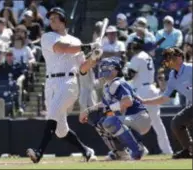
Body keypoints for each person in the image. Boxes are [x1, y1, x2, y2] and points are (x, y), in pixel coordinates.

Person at [26, 7, 101, 163]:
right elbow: (61, 48)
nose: (52, 20)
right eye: (50, 18)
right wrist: (88, 47)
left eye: (55, 17)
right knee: (60, 130)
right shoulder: (47, 37)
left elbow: (82, 69)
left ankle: (39, 152)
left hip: (68, 83)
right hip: (50, 83)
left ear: (63, 20)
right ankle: (86, 150)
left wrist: (93, 58)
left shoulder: (76, 41)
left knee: (53, 113)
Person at [79, 58, 152, 160]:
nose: (105, 69)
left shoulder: (118, 83)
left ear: (117, 70)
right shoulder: (108, 85)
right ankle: (120, 152)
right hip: (130, 119)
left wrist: (109, 108)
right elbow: (103, 104)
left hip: (139, 117)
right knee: (96, 118)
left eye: (109, 67)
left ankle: (137, 150)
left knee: (110, 121)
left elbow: (128, 102)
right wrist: (87, 111)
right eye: (103, 67)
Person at [140, 47, 192, 159]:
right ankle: (190, 150)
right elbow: (165, 98)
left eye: (170, 57)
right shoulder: (173, 75)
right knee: (177, 123)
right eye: (167, 58)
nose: (167, 60)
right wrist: (145, 101)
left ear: (179, 58)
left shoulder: (190, 68)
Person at [126, 38, 173, 155]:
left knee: (131, 121)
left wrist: (123, 70)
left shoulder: (137, 57)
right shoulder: (147, 56)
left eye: (132, 46)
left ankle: (138, 149)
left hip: (141, 91)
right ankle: (167, 150)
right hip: (151, 88)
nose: (131, 48)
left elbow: (129, 76)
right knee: (157, 123)